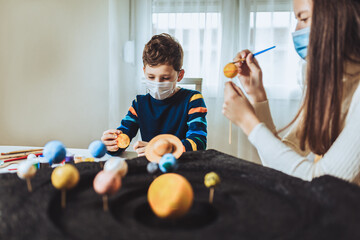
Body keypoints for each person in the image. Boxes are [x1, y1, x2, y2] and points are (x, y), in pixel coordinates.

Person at [223, 0, 360, 184]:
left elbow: (322, 181)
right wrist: (257, 94)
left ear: (339, 19)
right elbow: (283, 161)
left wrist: (248, 122)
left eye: (303, 19)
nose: (296, 30)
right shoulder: (331, 86)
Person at [101, 33, 207, 156]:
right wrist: (112, 143)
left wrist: (158, 149)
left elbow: (199, 143)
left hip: (182, 168)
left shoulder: (192, 100)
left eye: (165, 78)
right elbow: (124, 134)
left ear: (180, 75)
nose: (157, 83)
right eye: (151, 77)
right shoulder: (139, 104)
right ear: (144, 71)